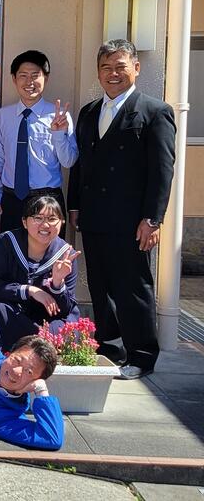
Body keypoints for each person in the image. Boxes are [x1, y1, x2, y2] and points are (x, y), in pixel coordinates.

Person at [68, 39, 176, 380]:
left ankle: (142, 355)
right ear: (98, 72)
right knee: (100, 286)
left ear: (136, 69)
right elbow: (82, 164)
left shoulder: (154, 111)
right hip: (94, 216)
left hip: (132, 220)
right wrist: (74, 205)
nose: (112, 74)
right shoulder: (89, 112)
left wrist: (153, 219)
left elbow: (162, 170)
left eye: (120, 67)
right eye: (106, 67)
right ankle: (110, 347)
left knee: (133, 287)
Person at [0, 196, 81, 351]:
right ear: (24, 222)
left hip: (46, 323)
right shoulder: (7, 243)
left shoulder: (66, 254)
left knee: (66, 328)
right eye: (38, 218)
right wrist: (28, 290)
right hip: (14, 314)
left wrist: (57, 283)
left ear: (62, 222)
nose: (45, 225)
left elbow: (65, 309)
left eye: (52, 219)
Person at [0, 50, 78, 235]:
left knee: (49, 252)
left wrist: (58, 134)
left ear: (45, 78)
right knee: (12, 250)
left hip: (47, 200)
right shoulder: (3, 116)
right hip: (12, 199)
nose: (29, 82)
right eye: (23, 76)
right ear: (14, 79)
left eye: (35, 75)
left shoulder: (59, 116)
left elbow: (68, 161)